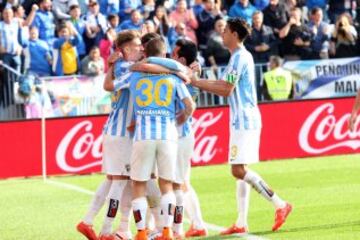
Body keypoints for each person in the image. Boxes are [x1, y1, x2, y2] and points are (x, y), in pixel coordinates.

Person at [189, 17, 292, 235]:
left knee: (237, 170)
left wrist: (195, 81)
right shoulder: (239, 57)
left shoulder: (239, 57)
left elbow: (226, 89)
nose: (222, 34)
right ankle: (242, 221)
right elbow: (224, 85)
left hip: (244, 119)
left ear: (234, 34)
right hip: (244, 117)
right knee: (240, 167)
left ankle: (280, 204)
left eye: (225, 31)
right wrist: (199, 78)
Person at [110, 37, 195, 240]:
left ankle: (140, 232)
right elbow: (190, 105)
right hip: (168, 135)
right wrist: (180, 119)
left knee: (138, 185)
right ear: (164, 53)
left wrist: (113, 67)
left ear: (146, 53)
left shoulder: (135, 76)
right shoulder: (174, 78)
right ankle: (167, 231)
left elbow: (111, 86)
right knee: (166, 185)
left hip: (143, 135)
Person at [76, 30, 144, 240]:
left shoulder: (121, 66)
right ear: (124, 49)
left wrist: (111, 64)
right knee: (120, 181)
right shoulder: (127, 68)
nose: (140, 49)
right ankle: (106, 231)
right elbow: (109, 86)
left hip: (115, 130)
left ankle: (88, 222)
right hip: (121, 132)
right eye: (135, 46)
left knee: (112, 178)